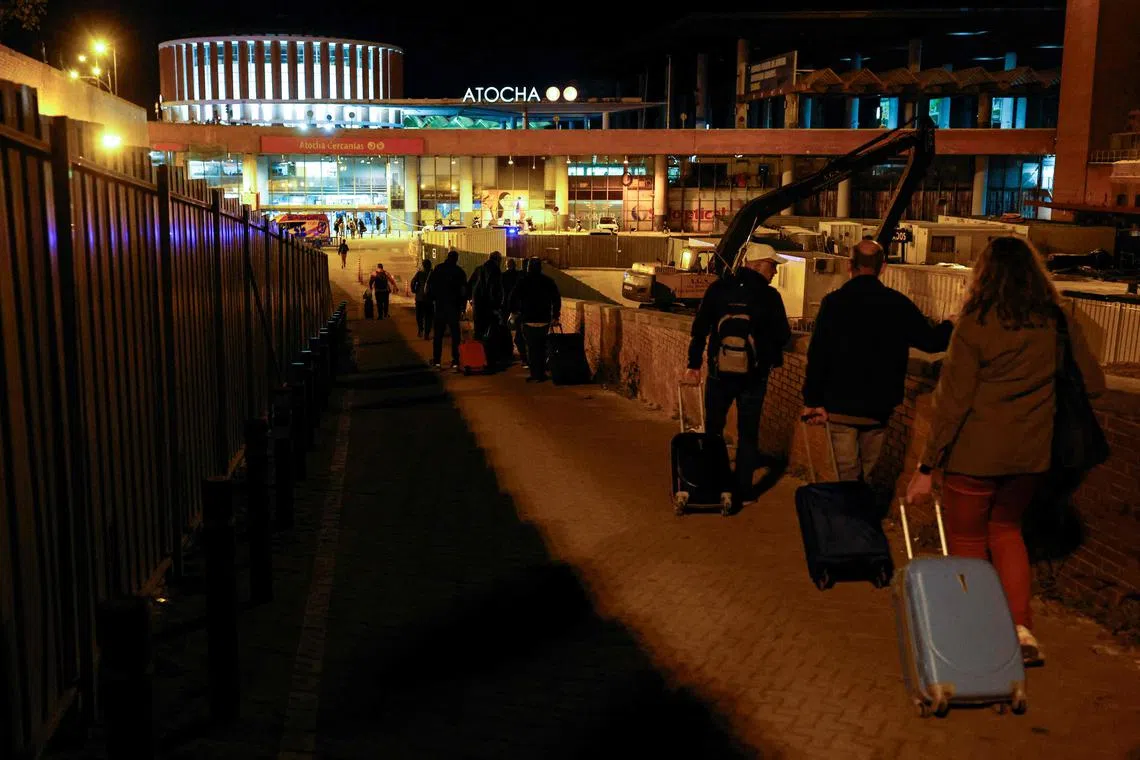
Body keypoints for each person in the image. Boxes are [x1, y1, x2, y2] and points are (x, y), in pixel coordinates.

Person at [905, 236, 1105, 666]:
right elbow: (1094, 385)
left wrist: (926, 466)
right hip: (1030, 458)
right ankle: (1021, 631)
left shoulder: (975, 323)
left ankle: (975, 634)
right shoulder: (1056, 319)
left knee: (968, 542)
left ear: (984, 275)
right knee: (1009, 534)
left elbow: (952, 402)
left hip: (973, 458)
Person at [802, 239, 954, 484]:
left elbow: (818, 355)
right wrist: (950, 324)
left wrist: (812, 400)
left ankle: (846, 519)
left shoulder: (834, 303)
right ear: (883, 267)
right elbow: (932, 342)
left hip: (838, 405)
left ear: (850, 265)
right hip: (878, 406)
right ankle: (860, 517)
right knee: (866, 474)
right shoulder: (897, 304)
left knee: (845, 477)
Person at [683, 248, 791, 509]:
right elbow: (783, 335)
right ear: (756, 265)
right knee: (748, 434)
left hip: (719, 373)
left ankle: (712, 484)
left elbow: (699, 329)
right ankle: (744, 491)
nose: (775, 271)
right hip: (753, 377)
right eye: (771, 265)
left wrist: (694, 365)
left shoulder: (719, 289)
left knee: (713, 430)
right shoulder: (769, 296)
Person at [508, 257, 561, 382]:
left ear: (528, 268)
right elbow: (556, 299)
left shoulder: (523, 281)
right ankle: (541, 374)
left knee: (531, 348)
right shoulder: (548, 281)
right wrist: (555, 316)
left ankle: (534, 373)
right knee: (542, 347)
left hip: (528, 319)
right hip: (544, 319)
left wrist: (514, 311)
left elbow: (512, 297)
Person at [427, 250, 468, 369]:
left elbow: (430, 286)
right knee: (455, 335)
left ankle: (437, 360)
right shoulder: (459, 272)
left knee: (438, 334)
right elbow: (463, 291)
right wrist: (462, 307)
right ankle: (455, 360)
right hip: (454, 308)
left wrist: (432, 299)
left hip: (440, 306)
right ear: (456, 259)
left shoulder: (438, 269)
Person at [469, 251, 504, 343]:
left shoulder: (479, 269)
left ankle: (478, 353)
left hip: (477, 305)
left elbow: (470, 284)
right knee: (490, 331)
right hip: (488, 306)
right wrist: (496, 307)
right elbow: (494, 289)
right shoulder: (495, 270)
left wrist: (470, 300)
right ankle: (488, 353)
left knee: (478, 330)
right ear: (498, 260)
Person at [500, 258, 523, 361]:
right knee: (519, 329)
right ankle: (522, 353)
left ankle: (508, 351)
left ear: (507, 265)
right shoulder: (519, 276)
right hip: (518, 306)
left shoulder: (503, 276)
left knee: (505, 329)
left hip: (506, 306)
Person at [410, 259, 434, 339]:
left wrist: (414, 290)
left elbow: (413, 282)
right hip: (429, 299)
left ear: (423, 265)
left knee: (419, 316)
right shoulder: (433, 274)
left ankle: (420, 329)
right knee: (428, 317)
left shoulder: (420, 273)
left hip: (419, 298)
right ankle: (426, 333)